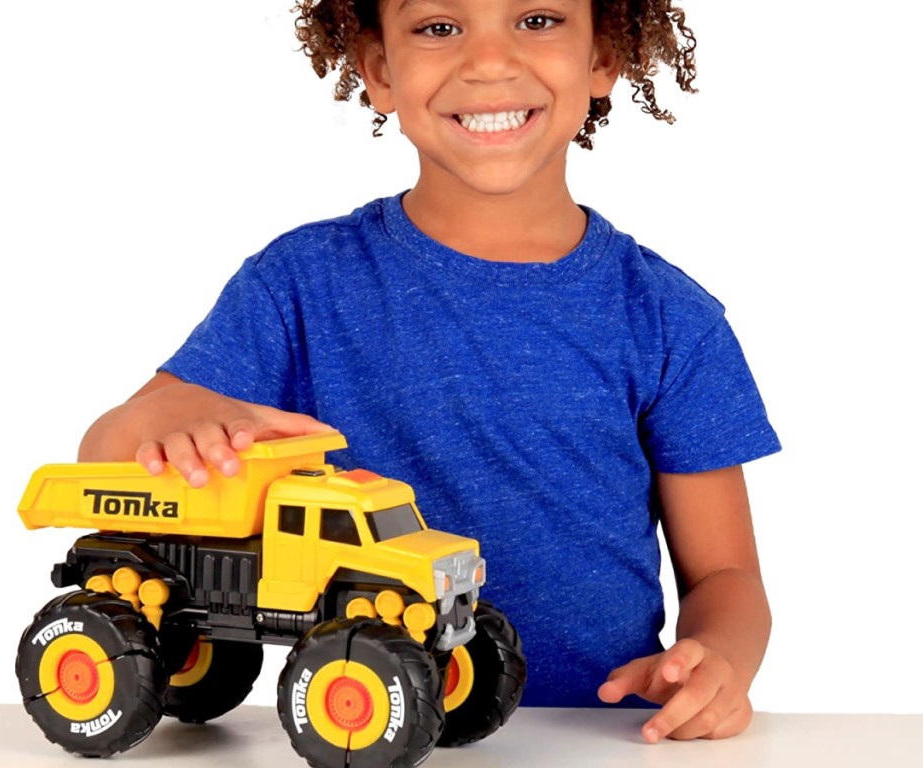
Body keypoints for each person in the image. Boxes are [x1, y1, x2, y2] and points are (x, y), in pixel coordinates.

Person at [79, 0, 780, 744]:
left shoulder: (670, 317)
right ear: (381, 71)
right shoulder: (302, 285)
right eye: (439, 27)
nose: (488, 61)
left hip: (601, 739)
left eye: (538, 19)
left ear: (602, 58)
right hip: (359, 730)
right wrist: (162, 423)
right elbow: (108, 451)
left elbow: (725, 578)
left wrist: (720, 662)